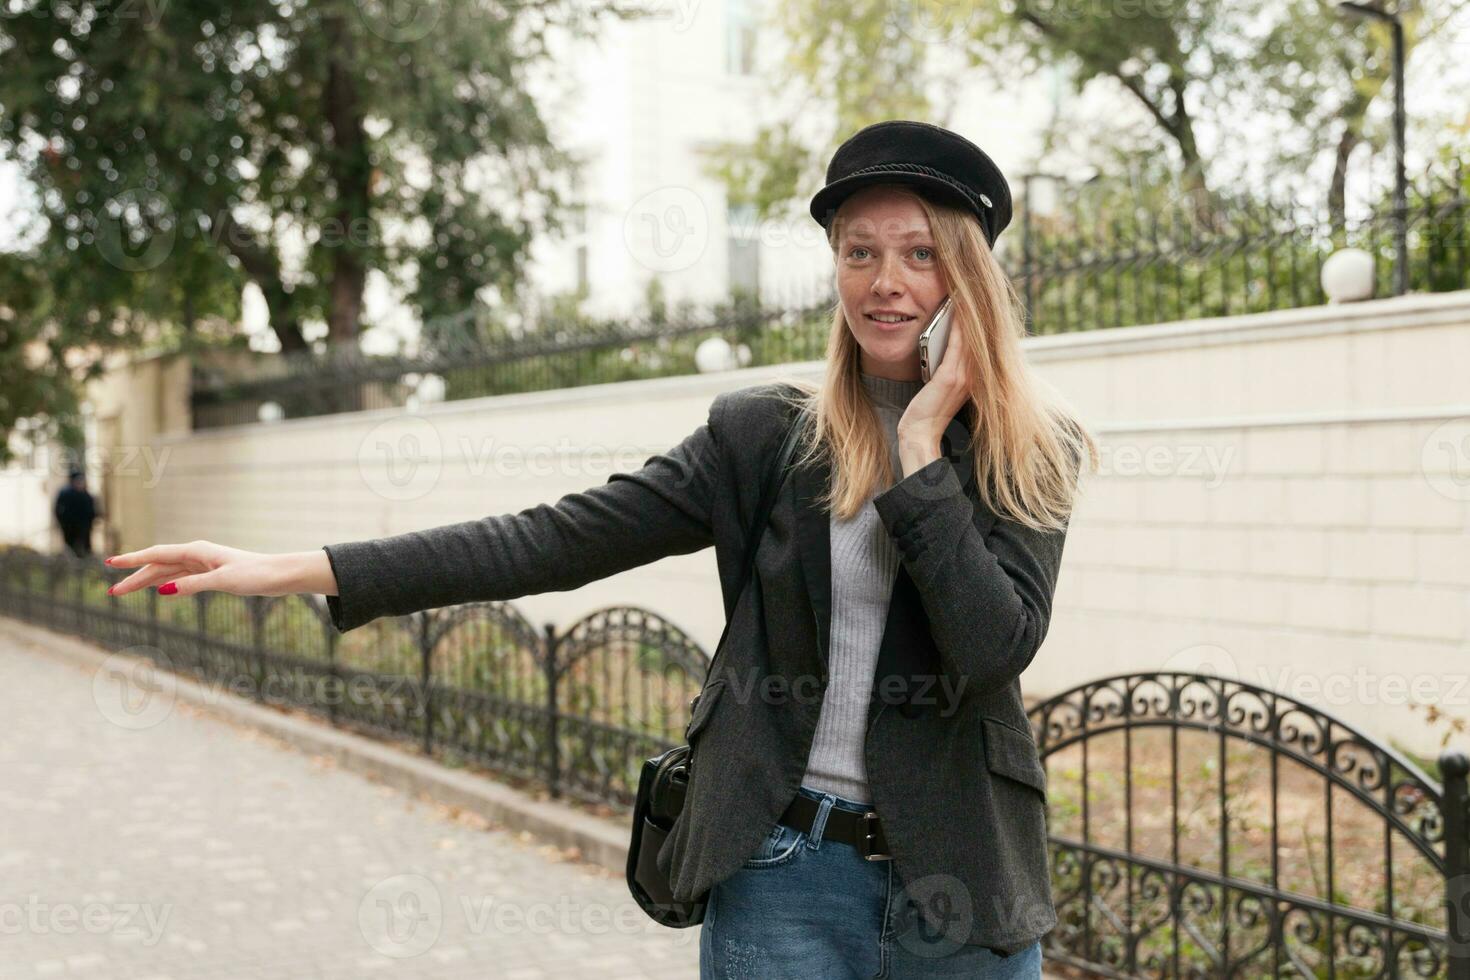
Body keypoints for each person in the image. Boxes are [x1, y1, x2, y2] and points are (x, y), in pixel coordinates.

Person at [104, 119, 1099, 978]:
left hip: (962, 883)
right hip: (783, 871)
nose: (885, 283)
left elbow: (992, 644)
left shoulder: (1029, 451)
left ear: (968, 273)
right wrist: (294, 565)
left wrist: (922, 448)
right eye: (859, 251)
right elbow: (554, 537)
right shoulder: (765, 438)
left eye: (919, 253)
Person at [54, 468, 98, 558]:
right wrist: (62, 522)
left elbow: (91, 509)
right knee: (71, 547)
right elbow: (58, 510)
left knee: (85, 547)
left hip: (84, 526)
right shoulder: (66, 493)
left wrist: (92, 519)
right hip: (69, 526)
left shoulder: (86, 494)